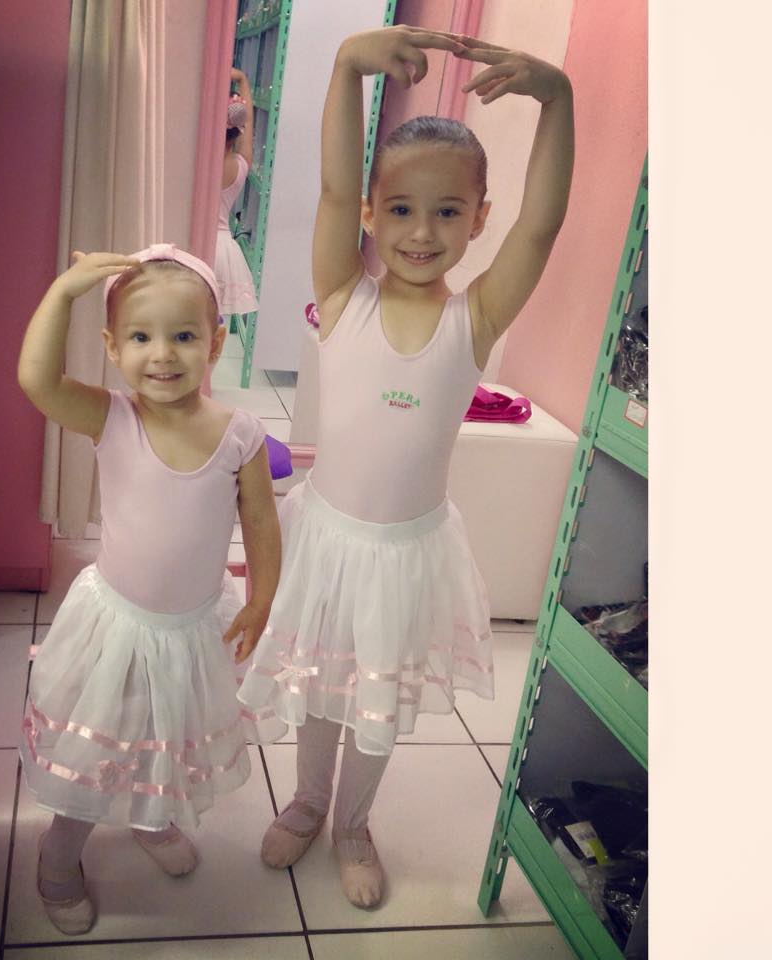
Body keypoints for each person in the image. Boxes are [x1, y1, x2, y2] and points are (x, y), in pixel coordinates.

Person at [237, 27, 574, 909]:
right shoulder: (342, 297)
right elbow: (332, 184)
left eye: (449, 212)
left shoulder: (477, 317)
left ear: (479, 218)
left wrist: (559, 98)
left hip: (407, 554)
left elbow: (543, 225)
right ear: (370, 215)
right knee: (320, 688)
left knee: (374, 703)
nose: (422, 232)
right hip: (328, 540)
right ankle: (308, 800)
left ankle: (353, 823)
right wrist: (347, 67)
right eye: (400, 210)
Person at [17, 242, 281, 934]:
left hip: (195, 630)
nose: (162, 355)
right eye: (140, 337)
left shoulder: (241, 435)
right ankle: (58, 856)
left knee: (168, 735)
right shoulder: (113, 417)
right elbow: (37, 380)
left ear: (215, 343)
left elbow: (260, 521)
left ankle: (150, 817)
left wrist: (261, 599)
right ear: (112, 347)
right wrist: (63, 292)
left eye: (184, 336)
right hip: (119, 631)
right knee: (100, 747)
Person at [214, 68, 259, 318]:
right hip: (224, 251)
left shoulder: (201, 164)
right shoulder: (241, 165)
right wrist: (242, 79)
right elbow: (249, 124)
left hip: (196, 245)